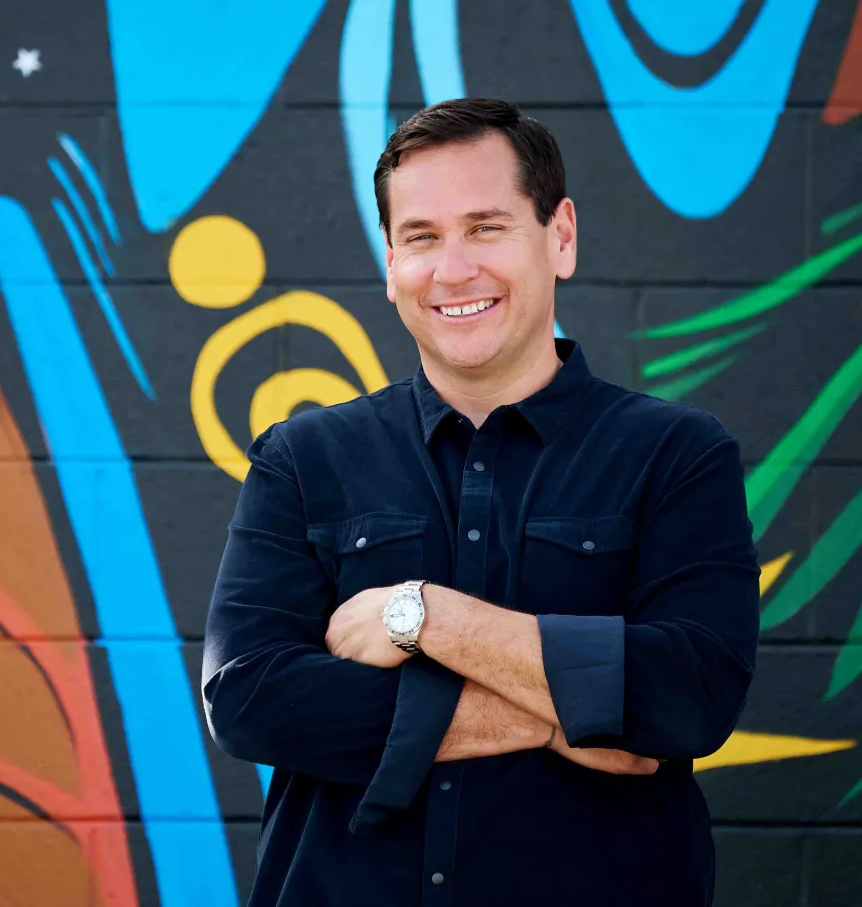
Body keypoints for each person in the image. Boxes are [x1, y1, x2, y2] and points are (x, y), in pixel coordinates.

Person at [201, 98, 760, 907]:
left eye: (486, 227)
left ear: (559, 237)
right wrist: (564, 713)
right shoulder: (304, 460)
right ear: (390, 263)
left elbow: (689, 697)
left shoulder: (676, 455)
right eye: (421, 237)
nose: (453, 269)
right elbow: (250, 698)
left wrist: (424, 614)